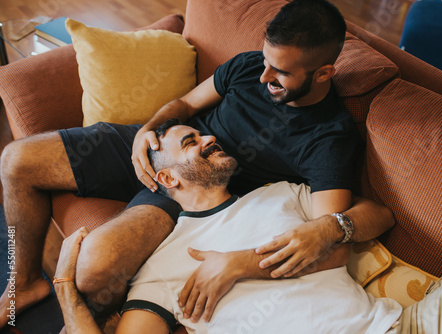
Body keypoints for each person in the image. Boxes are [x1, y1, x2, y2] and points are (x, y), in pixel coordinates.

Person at [0, 0, 395, 326]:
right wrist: (150, 129)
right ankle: (22, 281)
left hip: (201, 184)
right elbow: (187, 104)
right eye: (265, 61)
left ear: (324, 72)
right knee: (17, 160)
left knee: (95, 269)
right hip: (171, 141)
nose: (263, 77)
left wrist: (239, 263)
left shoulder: (330, 138)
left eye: (281, 73)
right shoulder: (248, 67)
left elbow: (328, 245)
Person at [53, 121, 442, 334]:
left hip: (408, 325)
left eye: (206, 135)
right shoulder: (160, 269)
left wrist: (327, 229)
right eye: (191, 142)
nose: (210, 139)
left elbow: (379, 215)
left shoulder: (282, 192)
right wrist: (68, 294)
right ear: (168, 178)